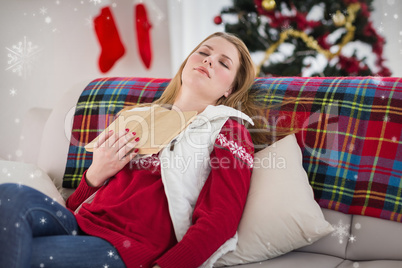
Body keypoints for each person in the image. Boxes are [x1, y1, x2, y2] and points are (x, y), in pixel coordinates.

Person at [0, 32, 270, 268]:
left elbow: (220, 221)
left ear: (229, 88)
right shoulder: (138, 116)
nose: (209, 60)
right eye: (203, 52)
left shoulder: (230, 131)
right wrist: (94, 175)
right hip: (78, 223)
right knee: (9, 195)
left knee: (29, 255)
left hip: (126, 248)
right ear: (187, 63)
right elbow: (75, 204)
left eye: (223, 63)